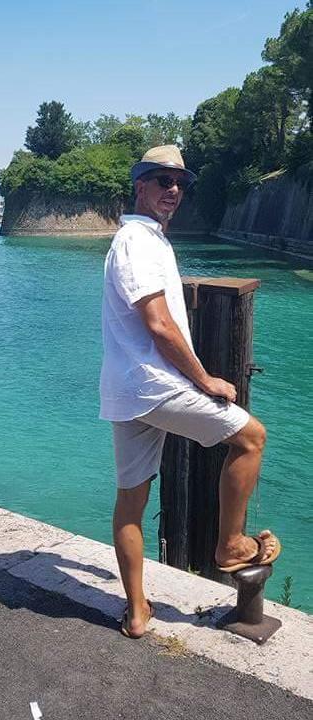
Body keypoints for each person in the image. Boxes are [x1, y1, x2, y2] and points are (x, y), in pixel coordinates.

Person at [99, 145, 281, 639]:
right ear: (140, 185)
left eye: (181, 183)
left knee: (130, 501)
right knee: (251, 438)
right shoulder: (137, 241)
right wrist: (205, 380)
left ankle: (138, 611)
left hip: (127, 392)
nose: (174, 190)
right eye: (163, 180)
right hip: (155, 386)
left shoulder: (145, 240)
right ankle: (230, 545)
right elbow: (159, 324)